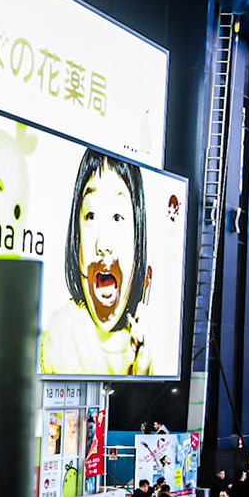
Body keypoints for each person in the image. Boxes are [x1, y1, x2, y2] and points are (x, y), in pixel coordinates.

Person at [41, 148, 157, 376]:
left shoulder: (140, 341)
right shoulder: (64, 330)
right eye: (91, 216)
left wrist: (141, 372)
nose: (103, 243)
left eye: (117, 217)